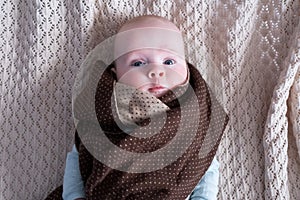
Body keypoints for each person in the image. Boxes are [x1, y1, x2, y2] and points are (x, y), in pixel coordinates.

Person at [48, 15, 227, 200]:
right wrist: (74, 196)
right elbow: (78, 158)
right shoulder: (101, 109)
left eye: (169, 62)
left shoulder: (194, 113)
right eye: (138, 63)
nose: (156, 71)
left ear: (187, 69)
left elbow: (207, 166)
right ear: (116, 74)